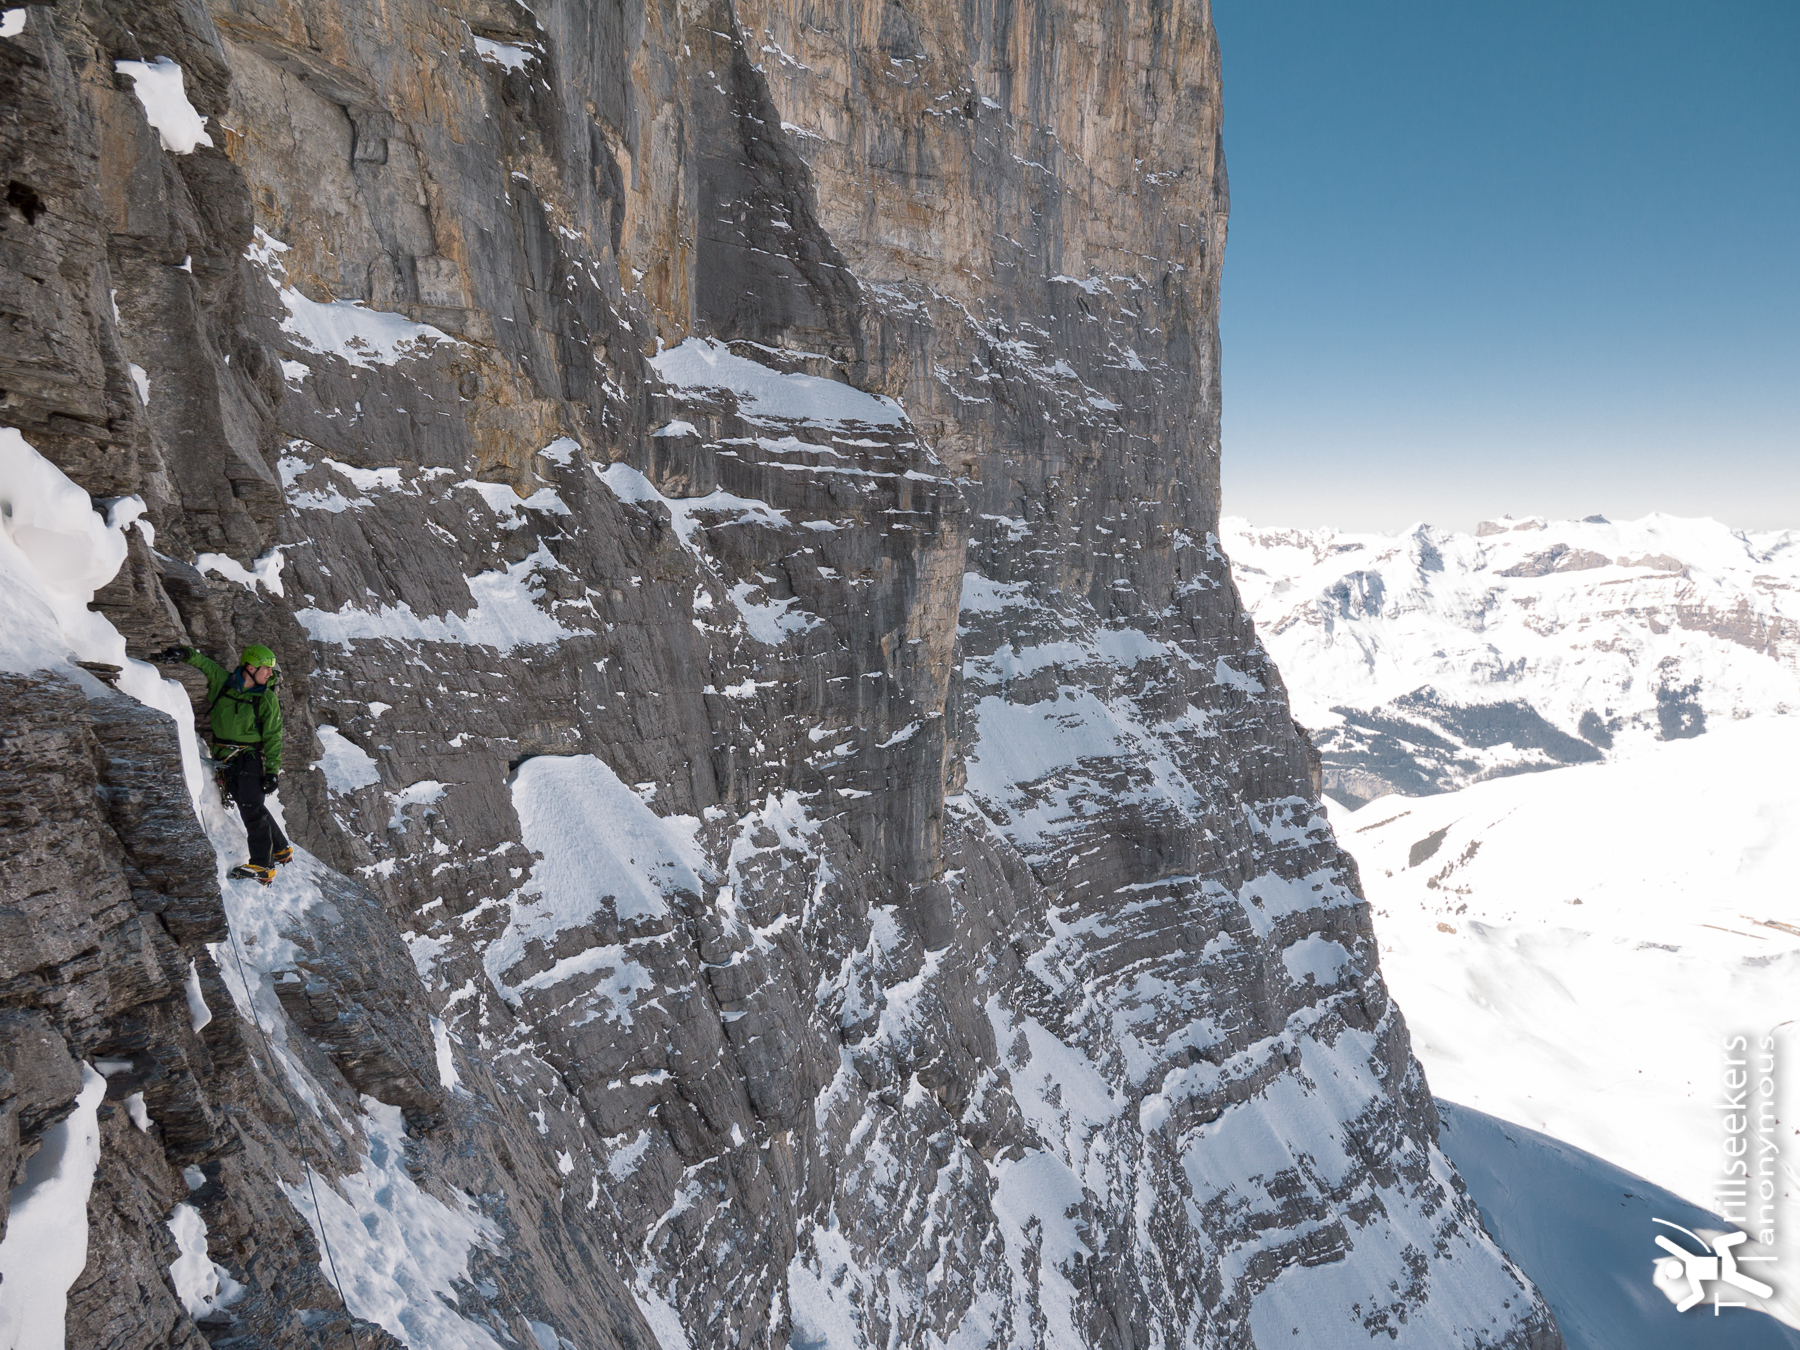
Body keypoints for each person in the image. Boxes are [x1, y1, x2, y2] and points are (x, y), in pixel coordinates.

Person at [156, 641, 291, 884]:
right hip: (226, 758)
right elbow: (204, 664)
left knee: (251, 808)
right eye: (266, 668)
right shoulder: (224, 681)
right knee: (249, 804)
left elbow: (273, 737)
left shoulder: (267, 699)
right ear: (250, 667)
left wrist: (272, 771)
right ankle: (280, 848)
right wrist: (183, 654)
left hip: (249, 759)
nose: (270, 674)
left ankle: (263, 865)